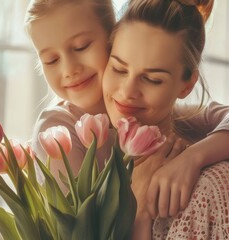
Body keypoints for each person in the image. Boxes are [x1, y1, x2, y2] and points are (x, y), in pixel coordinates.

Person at [25, 0, 229, 218]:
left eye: (82, 46)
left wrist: (193, 158)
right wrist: (137, 204)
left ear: (111, 39)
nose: (69, 70)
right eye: (51, 60)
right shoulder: (59, 131)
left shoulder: (161, 116)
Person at [101, 0, 229, 238]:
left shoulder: (206, 189)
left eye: (153, 79)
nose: (128, 91)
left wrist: (193, 157)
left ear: (187, 84)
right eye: (119, 69)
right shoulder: (79, 150)